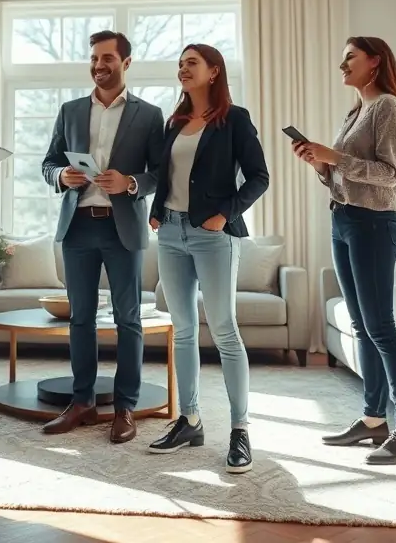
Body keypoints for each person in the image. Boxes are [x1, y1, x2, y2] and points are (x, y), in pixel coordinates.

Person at [291, 35, 396, 465]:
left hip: (372, 224)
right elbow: (345, 179)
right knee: (363, 326)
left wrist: (336, 156)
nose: (342, 64)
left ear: (375, 61)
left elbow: (390, 176)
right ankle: (373, 420)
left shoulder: (387, 107)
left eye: (349, 57)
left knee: (381, 327)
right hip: (344, 220)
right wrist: (321, 165)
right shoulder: (356, 111)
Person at [146, 44, 269, 474]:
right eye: (180, 64)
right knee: (181, 330)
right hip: (171, 233)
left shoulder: (234, 119)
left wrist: (226, 214)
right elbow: (167, 176)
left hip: (214, 234)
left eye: (191, 63)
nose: (183, 69)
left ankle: (239, 429)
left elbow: (259, 177)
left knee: (224, 330)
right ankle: (190, 419)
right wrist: (157, 211)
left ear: (214, 71)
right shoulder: (174, 121)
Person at [40, 30, 165, 444]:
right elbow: (48, 163)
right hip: (78, 226)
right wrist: (61, 175)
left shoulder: (149, 115)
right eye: (94, 58)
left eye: (107, 58)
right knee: (81, 319)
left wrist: (129, 182)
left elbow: (158, 175)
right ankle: (82, 402)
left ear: (125, 63)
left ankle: (125, 407)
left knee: (128, 320)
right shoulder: (70, 110)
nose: (98, 65)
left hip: (122, 227)